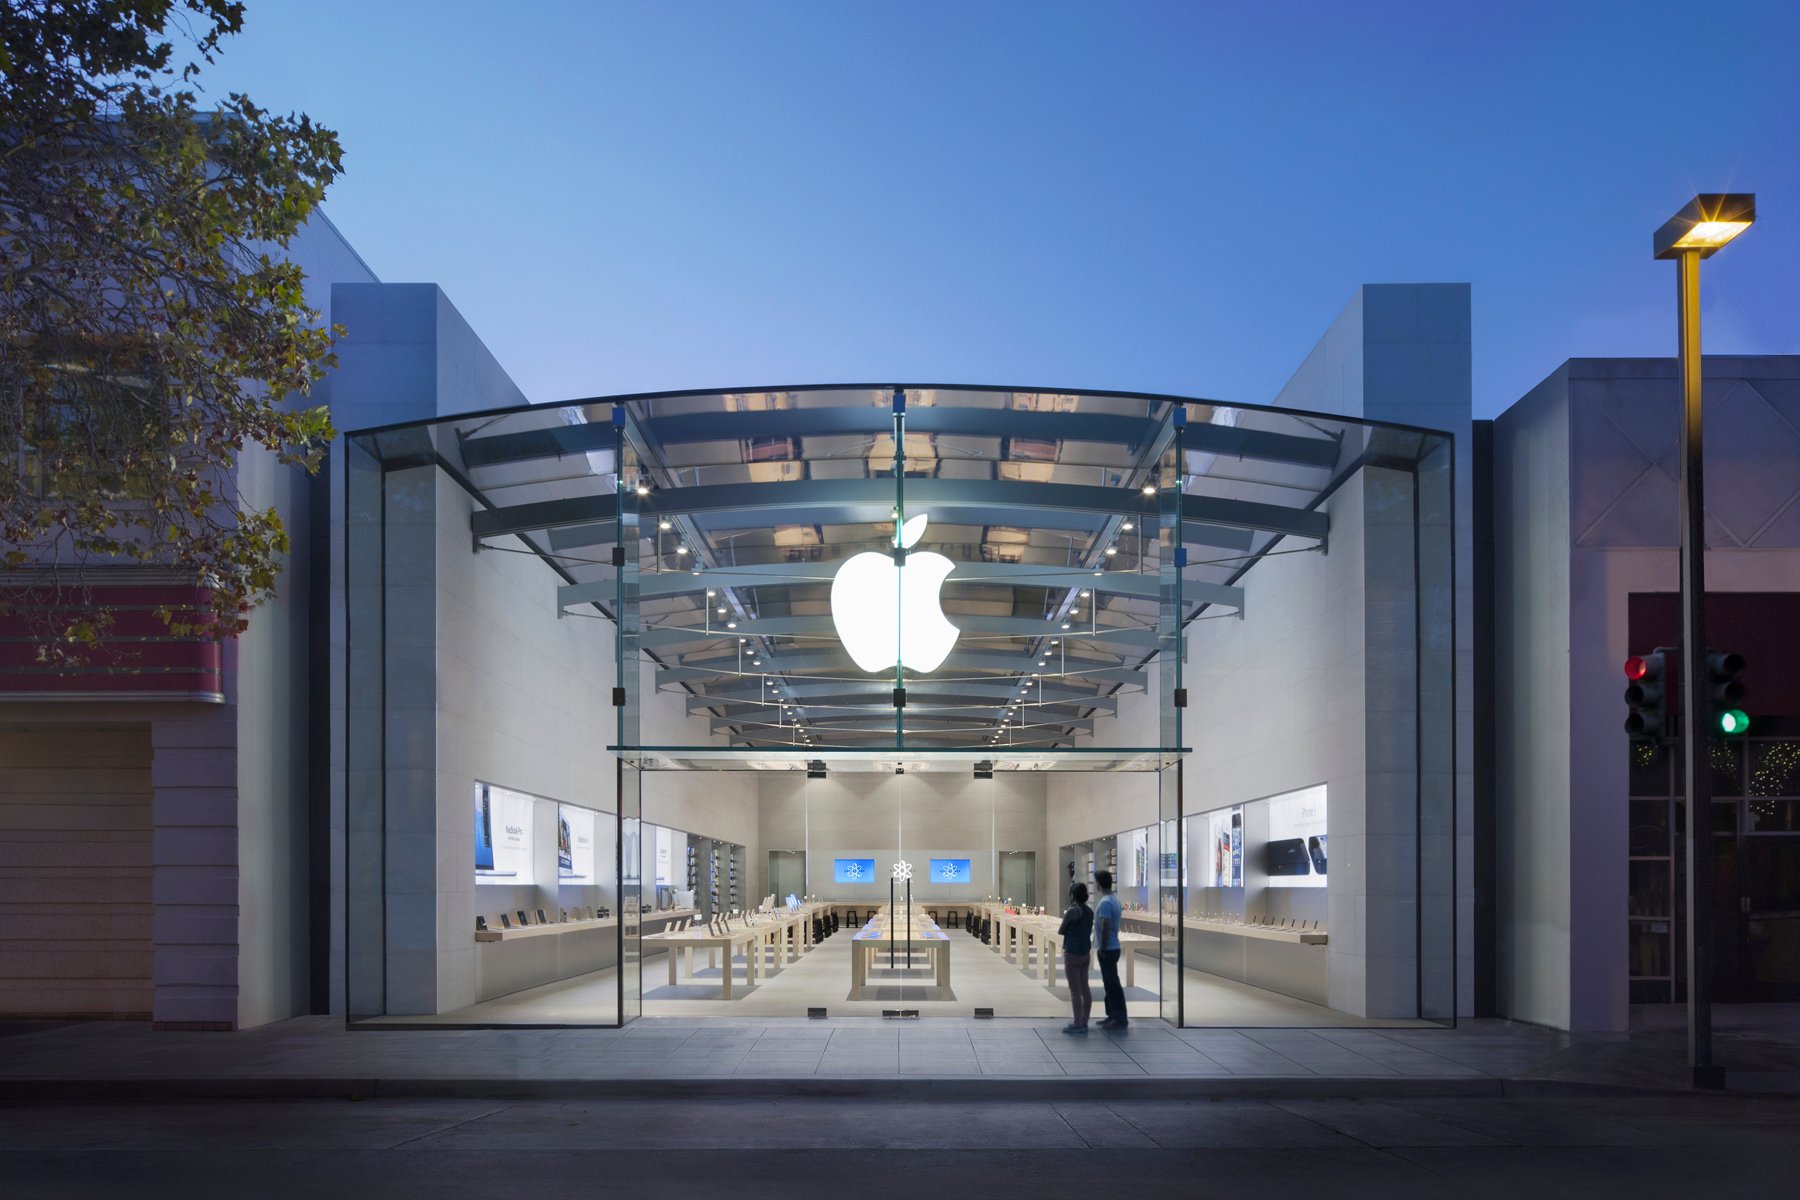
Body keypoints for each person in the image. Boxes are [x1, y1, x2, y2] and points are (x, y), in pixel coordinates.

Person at [1093, 869, 1127, 1030]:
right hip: (1112, 946)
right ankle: (1112, 1015)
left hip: (1109, 948)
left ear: (1099, 884)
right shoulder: (1114, 900)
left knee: (1112, 983)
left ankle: (1119, 1017)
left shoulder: (1106, 902)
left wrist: (1103, 948)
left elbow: (1105, 925)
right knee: (1109, 982)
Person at [1058, 881, 1094, 1034]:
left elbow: (1062, 930)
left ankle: (1077, 1023)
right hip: (1085, 952)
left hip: (1072, 952)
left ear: (1073, 895)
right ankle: (1085, 1021)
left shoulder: (1072, 911)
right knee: (1085, 988)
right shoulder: (1089, 911)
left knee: (1074, 990)